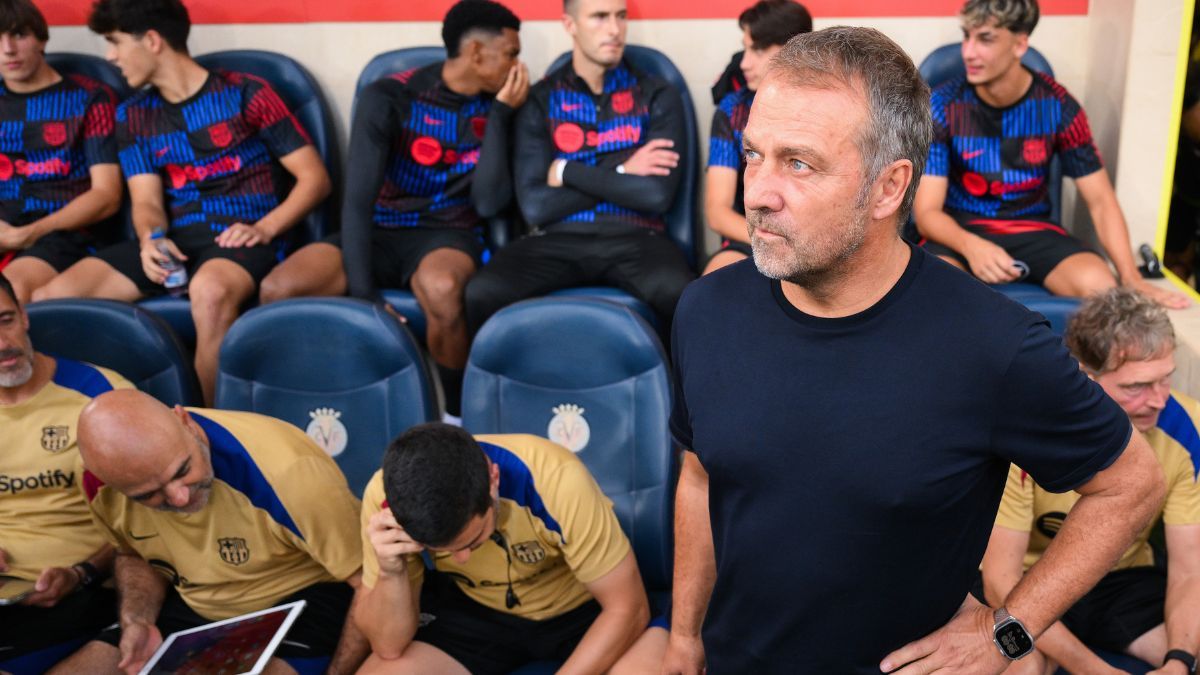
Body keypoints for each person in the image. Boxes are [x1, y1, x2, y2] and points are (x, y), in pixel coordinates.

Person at [665, 27, 1164, 674]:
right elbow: (700, 477)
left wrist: (1007, 633)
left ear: (889, 187)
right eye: (753, 154)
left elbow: (1131, 484)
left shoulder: (994, 344)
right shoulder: (705, 311)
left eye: (799, 163)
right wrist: (684, 637)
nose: (757, 192)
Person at [33, 0, 332, 405]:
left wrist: (266, 227)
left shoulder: (247, 93)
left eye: (116, 42)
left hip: (246, 237)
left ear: (152, 40)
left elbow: (315, 179)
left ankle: (208, 427)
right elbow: (146, 201)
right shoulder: (132, 116)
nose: (110, 56)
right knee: (50, 300)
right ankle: (84, 418)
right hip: (179, 241)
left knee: (209, 291)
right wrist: (151, 238)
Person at [258, 0, 527, 419]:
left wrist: (501, 115)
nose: (517, 66)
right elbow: (357, 198)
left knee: (442, 289)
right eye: (510, 53)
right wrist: (365, 294)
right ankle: (290, 408)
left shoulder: (506, 103)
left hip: (446, 232)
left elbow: (489, 202)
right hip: (379, 229)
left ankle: (456, 418)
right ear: (476, 52)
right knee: (278, 290)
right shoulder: (391, 95)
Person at [53, 390, 367, 675]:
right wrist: (136, 620)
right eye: (148, 495)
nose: (180, 497)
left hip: (300, 599)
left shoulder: (287, 472)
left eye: (183, 471)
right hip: (192, 605)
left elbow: (368, 581)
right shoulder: (98, 484)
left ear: (185, 422)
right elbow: (133, 555)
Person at [979, 287, 1200, 675]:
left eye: (1165, 379)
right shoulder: (1027, 428)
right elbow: (1001, 580)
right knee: (1020, 667)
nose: (1159, 400)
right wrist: (1098, 671)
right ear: (1085, 377)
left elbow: (1189, 570)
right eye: (1136, 387)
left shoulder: (1186, 428)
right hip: (1031, 580)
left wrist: (1179, 662)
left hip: (1119, 579)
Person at [913, 0, 1188, 309]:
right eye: (967, 36)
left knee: (1104, 292)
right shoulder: (941, 106)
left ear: (1020, 44)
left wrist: (1131, 277)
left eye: (985, 39)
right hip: (960, 229)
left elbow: (1100, 200)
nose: (968, 52)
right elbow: (927, 215)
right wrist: (973, 246)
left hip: (1032, 228)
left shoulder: (1059, 106)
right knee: (939, 294)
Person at [464, 0, 694, 338]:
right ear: (570, 25)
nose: (614, 30)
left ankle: (673, 377)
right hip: (556, 238)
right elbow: (537, 206)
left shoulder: (657, 93)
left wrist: (566, 171)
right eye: (599, 17)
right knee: (482, 294)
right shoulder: (541, 98)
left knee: (683, 297)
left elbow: (655, 195)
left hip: (636, 238)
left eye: (621, 16)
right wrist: (622, 170)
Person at [355, 423, 649, 674]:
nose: (461, 558)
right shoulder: (388, 501)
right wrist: (391, 572)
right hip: (475, 611)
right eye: (440, 549)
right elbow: (388, 646)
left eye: (474, 540)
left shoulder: (555, 478)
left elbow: (628, 608)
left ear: (493, 480)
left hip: (579, 610)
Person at [0, 272, 130, 663]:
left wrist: (82, 573)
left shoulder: (102, 397)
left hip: (85, 589)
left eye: (5, 320)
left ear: (24, 316)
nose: (3, 344)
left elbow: (153, 523)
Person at [0, 0, 122, 303]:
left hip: (64, 234)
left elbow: (106, 196)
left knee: (9, 292)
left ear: (41, 39)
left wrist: (30, 233)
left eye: (19, 35)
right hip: (4, 229)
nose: (7, 49)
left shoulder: (90, 97)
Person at [702, 0, 811, 275]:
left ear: (793, 51)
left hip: (815, 236)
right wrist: (773, 240)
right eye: (745, 48)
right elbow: (717, 212)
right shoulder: (733, 110)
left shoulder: (823, 108)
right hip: (751, 236)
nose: (744, 63)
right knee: (709, 283)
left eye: (758, 51)